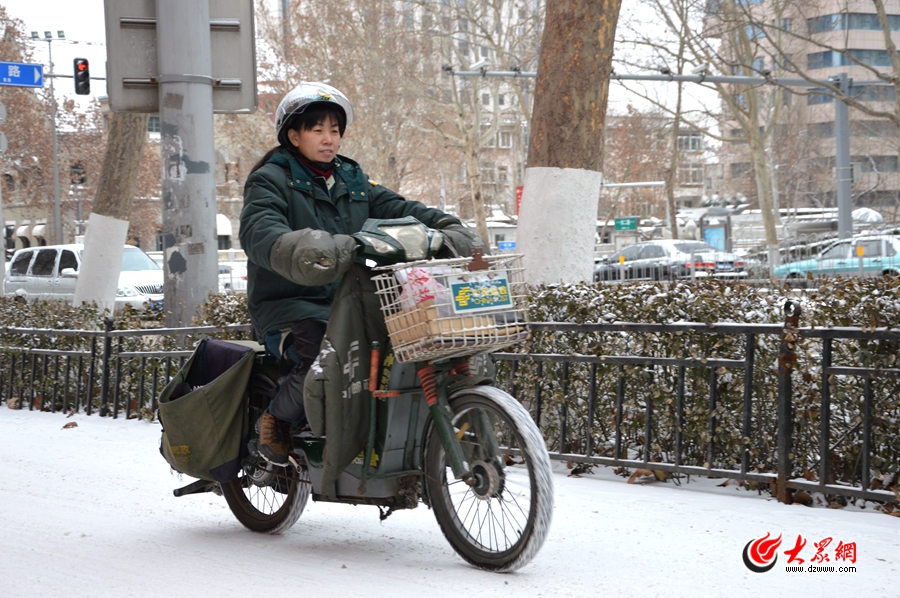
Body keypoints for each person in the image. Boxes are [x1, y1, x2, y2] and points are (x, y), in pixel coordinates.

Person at [239, 82, 484, 465]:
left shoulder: (352, 178)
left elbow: (400, 208)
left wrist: (450, 227)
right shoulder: (269, 180)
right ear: (293, 135)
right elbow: (260, 230)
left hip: (350, 298)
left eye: (334, 130)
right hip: (291, 304)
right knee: (324, 352)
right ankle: (276, 419)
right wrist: (304, 247)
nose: (329, 139)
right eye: (317, 129)